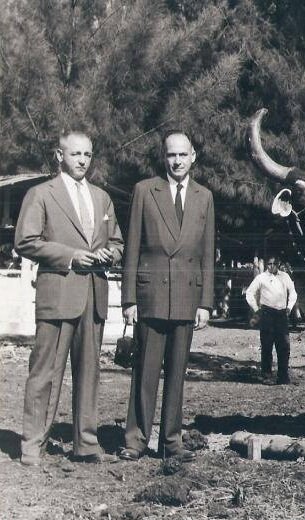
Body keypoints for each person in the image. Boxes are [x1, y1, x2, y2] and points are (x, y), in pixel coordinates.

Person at [14, 130, 124, 466]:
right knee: (45, 372)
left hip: (93, 295)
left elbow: (118, 242)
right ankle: (33, 444)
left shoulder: (102, 197)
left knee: (89, 374)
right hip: (58, 294)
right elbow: (26, 241)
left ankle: (86, 444)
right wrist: (72, 256)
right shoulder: (40, 194)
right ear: (58, 155)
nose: (82, 161)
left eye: (87, 155)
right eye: (75, 154)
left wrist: (110, 255)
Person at [120, 130, 215, 462]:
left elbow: (207, 253)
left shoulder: (205, 196)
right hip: (151, 295)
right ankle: (136, 439)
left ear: (193, 157)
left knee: (177, 373)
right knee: (144, 371)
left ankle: (170, 441)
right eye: (171, 155)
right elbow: (131, 247)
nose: (177, 161)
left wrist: (206, 302)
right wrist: (129, 298)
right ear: (164, 158)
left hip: (187, 298)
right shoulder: (145, 191)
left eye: (182, 155)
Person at [245, 255, 297, 384]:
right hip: (267, 313)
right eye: (269, 264)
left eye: (274, 263)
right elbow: (249, 293)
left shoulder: (285, 277)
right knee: (267, 345)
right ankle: (266, 374)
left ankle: (283, 376)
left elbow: (293, 293)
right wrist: (256, 309)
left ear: (278, 264)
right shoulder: (261, 278)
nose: (272, 266)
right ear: (266, 264)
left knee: (284, 346)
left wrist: (289, 308)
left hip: (281, 314)